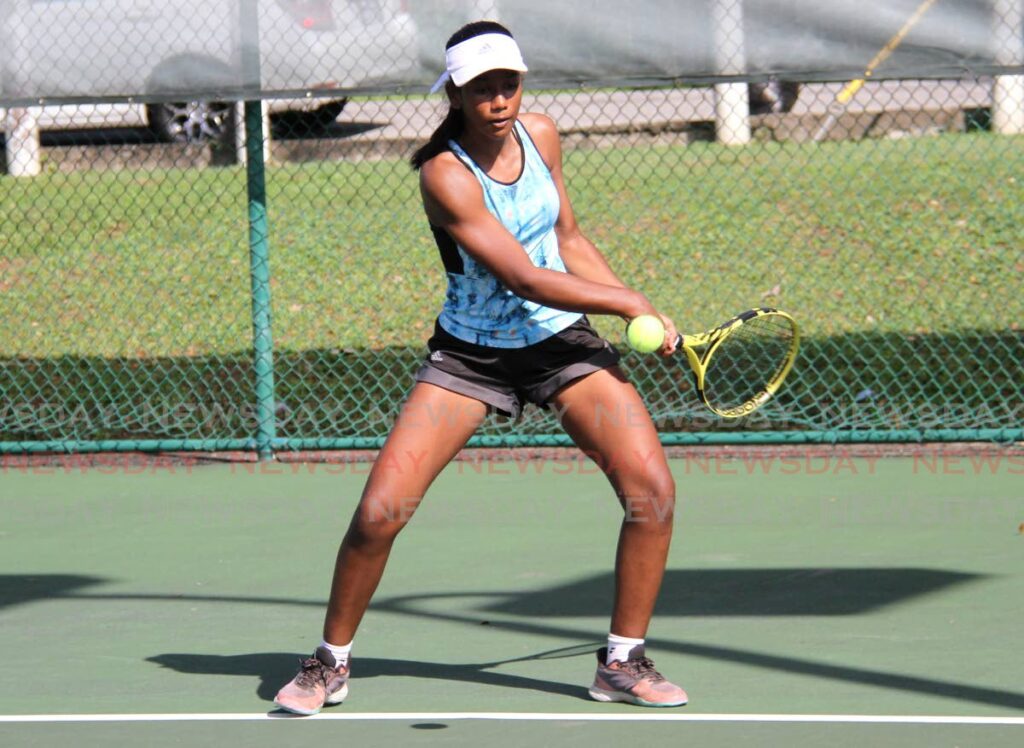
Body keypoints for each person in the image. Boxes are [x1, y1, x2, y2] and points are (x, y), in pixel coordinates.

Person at [274, 20, 688, 714]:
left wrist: (640, 316)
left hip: (562, 341)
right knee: (381, 510)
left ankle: (622, 661)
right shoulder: (443, 174)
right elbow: (524, 276)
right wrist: (626, 300)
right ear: (456, 94)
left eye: (509, 83)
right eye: (482, 88)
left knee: (652, 489)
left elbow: (568, 238)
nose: (499, 99)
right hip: (472, 355)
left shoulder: (543, 135)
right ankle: (328, 663)